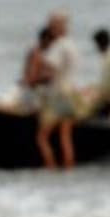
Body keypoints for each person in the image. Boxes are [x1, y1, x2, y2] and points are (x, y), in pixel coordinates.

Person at [36, 11, 78, 169]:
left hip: (58, 94)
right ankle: (69, 169)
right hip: (71, 93)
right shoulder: (71, 44)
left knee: (42, 138)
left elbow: (49, 73)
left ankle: (51, 168)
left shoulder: (58, 46)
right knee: (65, 137)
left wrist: (33, 79)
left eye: (52, 25)